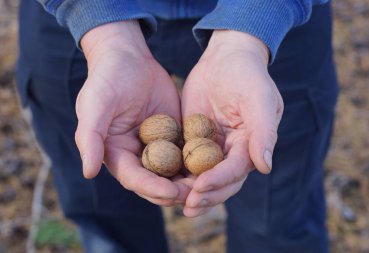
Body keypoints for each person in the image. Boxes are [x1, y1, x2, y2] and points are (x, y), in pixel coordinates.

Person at [16, 0, 339, 252]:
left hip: (270, 25)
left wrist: (251, 29)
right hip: (80, 22)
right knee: (106, 216)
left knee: (276, 222)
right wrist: (102, 30)